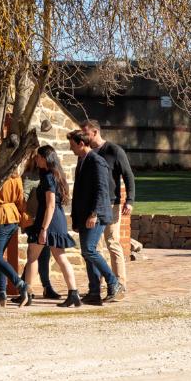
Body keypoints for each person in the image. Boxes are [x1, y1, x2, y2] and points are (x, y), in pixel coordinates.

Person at [17, 145, 81, 308]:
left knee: (33, 257)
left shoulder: (48, 177)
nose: (36, 159)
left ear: (45, 158)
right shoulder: (56, 174)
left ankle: (27, 294)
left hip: (48, 220)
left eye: (38, 157)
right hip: (57, 220)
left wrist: (43, 229)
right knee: (60, 257)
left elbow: (50, 205)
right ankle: (73, 293)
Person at [68, 130, 124, 304]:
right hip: (84, 215)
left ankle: (113, 282)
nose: (71, 149)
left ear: (81, 143)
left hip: (96, 214)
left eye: (72, 145)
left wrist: (94, 214)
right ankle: (94, 292)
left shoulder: (96, 161)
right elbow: (78, 193)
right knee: (87, 253)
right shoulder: (82, 160)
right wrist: (76, 219)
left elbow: (102, 190)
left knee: (89, 249)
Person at [80, 119, 135, 287]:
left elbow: (128, 175)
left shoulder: (114, 150)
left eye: (86, 133)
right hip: (93, 205)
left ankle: (120, 282)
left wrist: (130, 200)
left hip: (112, 203)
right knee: (94, 246)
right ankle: (99, 284)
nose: (83, 137)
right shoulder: (87, 153)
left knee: (112, 242)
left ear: (95, 132)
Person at [0, 165, 31, 306]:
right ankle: (1, 294)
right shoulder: (16, 177)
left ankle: (21, 285)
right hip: (13, 217)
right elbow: (20, 200)